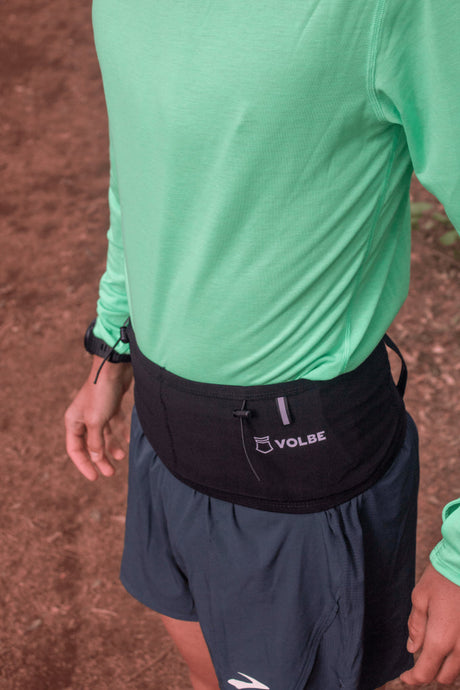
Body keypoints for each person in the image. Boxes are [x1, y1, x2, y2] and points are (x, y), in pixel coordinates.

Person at [65, 0, 460, 688]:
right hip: (161, 435)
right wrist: (114, 340)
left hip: (299, 479)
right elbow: (144, 163)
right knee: (207, 674)